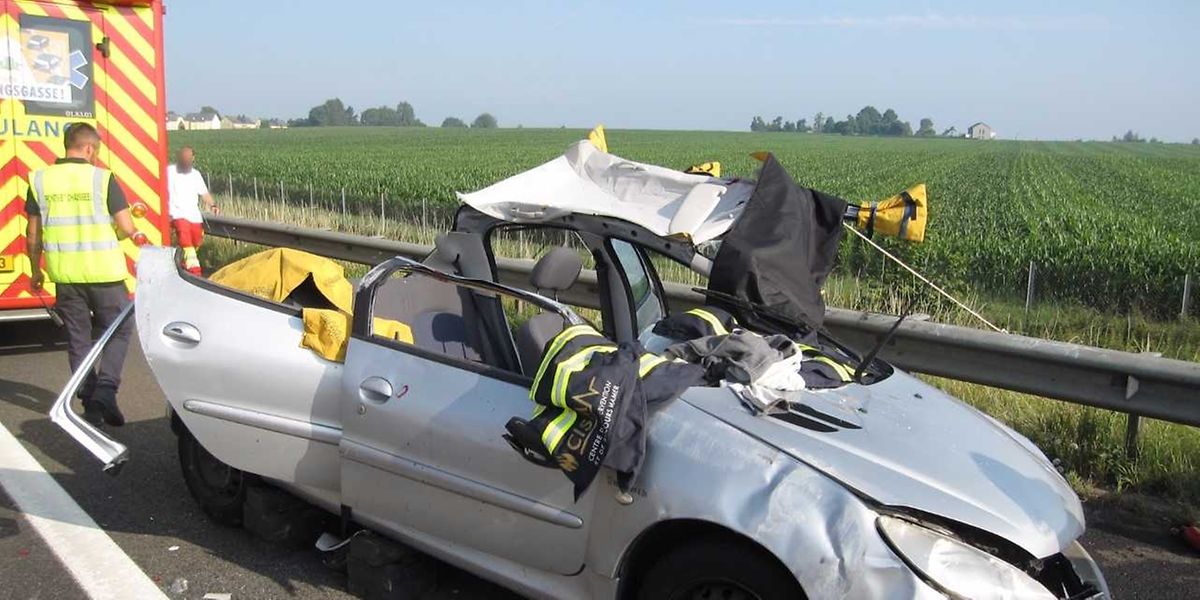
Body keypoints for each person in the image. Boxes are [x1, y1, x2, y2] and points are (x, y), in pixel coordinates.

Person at [25, 122, 148, 427]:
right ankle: (106, 392)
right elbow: (126, 226)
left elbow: (33, 234)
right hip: (104, 272)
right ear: (90, 148)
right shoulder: (102, 178)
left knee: (78, 338)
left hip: (65, 274)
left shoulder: (40, 179)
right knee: (117, 331)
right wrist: (131, 235)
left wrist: (34, 270)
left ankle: (89, 399)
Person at [167, 146, 217, 275]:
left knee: (196, 240)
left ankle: (184, 264)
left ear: (193, 158)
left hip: (194, 215)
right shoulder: (169, 172)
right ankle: (195, 272)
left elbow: (204, 193)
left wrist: (213, 205)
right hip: (176, 214)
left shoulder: (196, 175)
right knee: (186, 240)